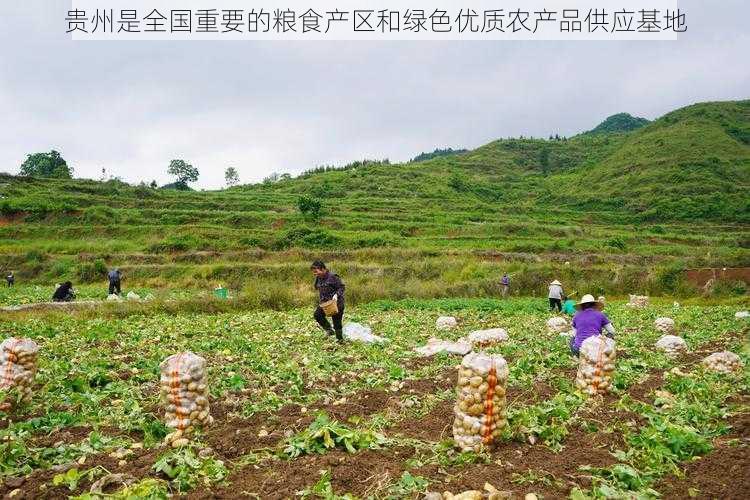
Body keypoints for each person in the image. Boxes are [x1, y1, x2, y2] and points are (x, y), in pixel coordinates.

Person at [311, 261, 345, 343]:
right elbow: (316, 287)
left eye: (316, 272)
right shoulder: (318, 278)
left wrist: (336, 295)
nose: (315, 274)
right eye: (313, 272)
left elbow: (341, 287)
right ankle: (329, 330)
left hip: (336, 303)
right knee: (317, 315)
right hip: (325, 303)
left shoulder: (333, 276)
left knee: (336, 322)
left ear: (323, 269)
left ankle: (340, 340)